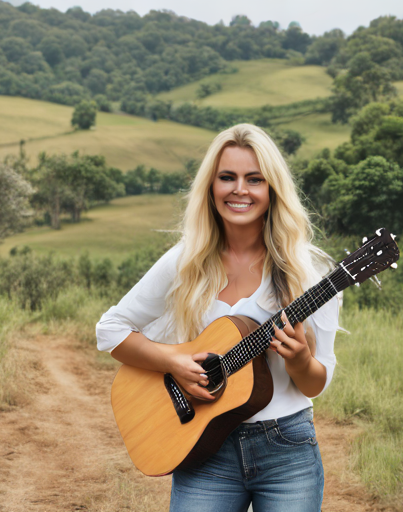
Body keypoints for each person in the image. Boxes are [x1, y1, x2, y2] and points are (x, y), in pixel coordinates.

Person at [96, 124, 339, 512]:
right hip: (203, 445)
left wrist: (300, 361)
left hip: (287, 451)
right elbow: (110, 330)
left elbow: (316, 382)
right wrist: (174, 362)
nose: (239, 190)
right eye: (227, 177)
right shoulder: (185, 261)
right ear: (211, 187)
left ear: (272, 188)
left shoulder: (306, 273)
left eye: (254, 179)